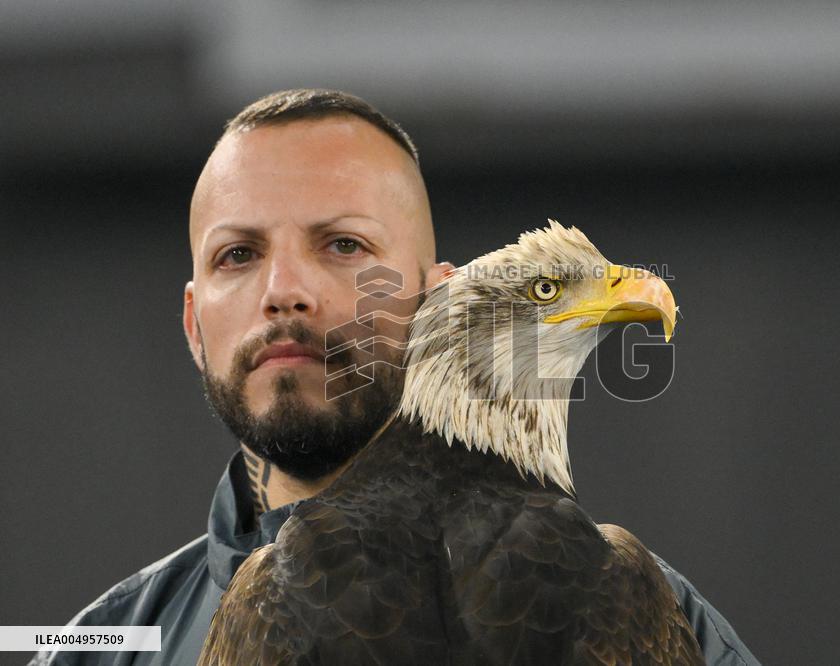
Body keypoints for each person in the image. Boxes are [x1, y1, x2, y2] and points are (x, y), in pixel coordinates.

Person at [30, 89, 759, 666]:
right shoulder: (105, 645)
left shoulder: (631, 596)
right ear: (194, 325)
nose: (284, 290)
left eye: (343, 245)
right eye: (238, 256)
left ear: (436, 301)